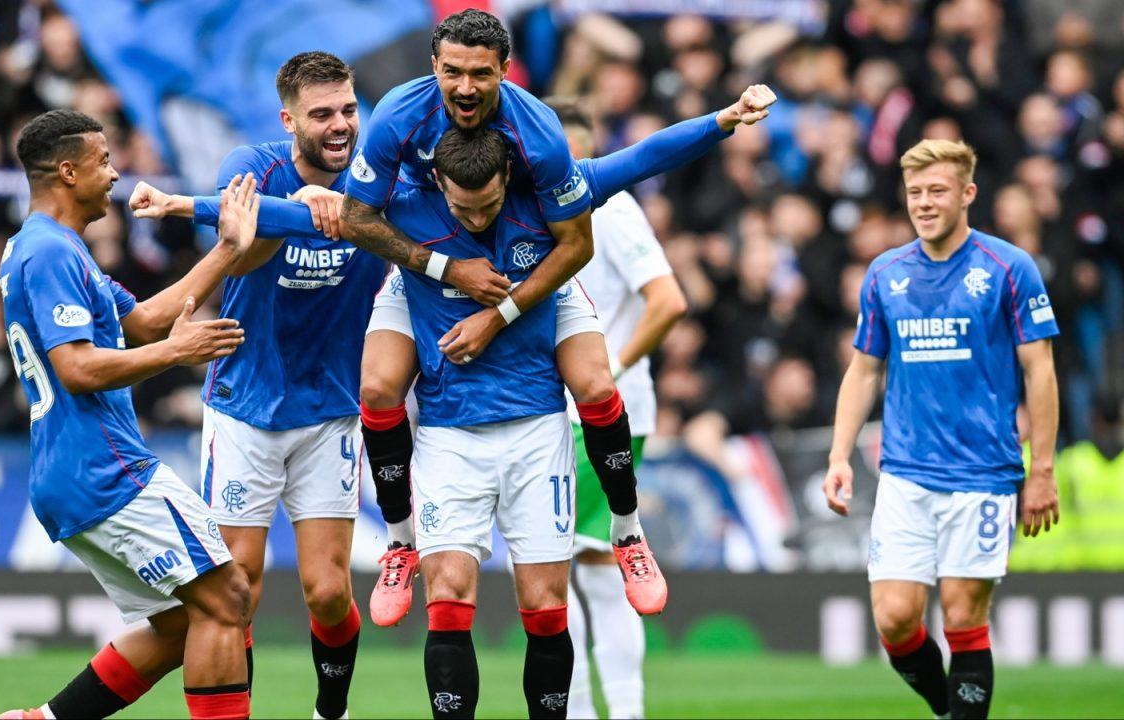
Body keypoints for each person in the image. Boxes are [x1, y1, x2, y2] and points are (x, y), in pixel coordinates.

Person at [345, 8, 777, 626]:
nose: (465, 88)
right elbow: (356, 218)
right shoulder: (396, 116)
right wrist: (444, 270)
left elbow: (604, 209)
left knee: (600, 384)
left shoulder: (539, 136)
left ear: (504, 71)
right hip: (429, 268)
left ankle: (628, 534)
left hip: (531, 275)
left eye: (480, 75)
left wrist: (723, 121)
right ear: (433, 67)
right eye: (453, 73)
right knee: (377, 385)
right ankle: (399, 540)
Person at [129, 50, 381, 720]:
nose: (340, 125)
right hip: (246, 407)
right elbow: (242, 235)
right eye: (322, 113)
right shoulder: (250, 166)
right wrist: (297, 206)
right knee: (236, 588)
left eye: (348, 110)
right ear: (289, 118)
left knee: (328, 592)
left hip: (329, 408)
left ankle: (333, 710)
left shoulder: (376, 175)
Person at [0, 109, 261, 720]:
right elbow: (79, 368)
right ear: (67, 171)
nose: (115, 174)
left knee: (175, 624)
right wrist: (176, 353)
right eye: (103, 161)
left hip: (70, 472)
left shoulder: (48, 250)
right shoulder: (49, 255)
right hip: (105, 466)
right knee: (226, 596)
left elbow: (140, 321)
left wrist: (227, 248)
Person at [823, 139, 1061, 719]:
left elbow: (1041, 370)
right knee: (895, 619)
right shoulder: (885, 273)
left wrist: (1042, 472)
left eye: (937, 191)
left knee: (961, 617)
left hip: (983, 472)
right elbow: (864, 369)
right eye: (914, 193)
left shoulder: (1008, 268)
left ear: (967, 194)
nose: (924, 203)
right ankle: (951, 709)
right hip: (905, 472)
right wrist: (838, 455)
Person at [545, 98, 688, 720]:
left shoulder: (611, 208)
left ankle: (590, 712)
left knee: (562, 568)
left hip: (593, 414)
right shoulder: (551, 206)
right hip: (586, 410)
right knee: (596, 570)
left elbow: (668, 300)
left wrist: (613, 370)